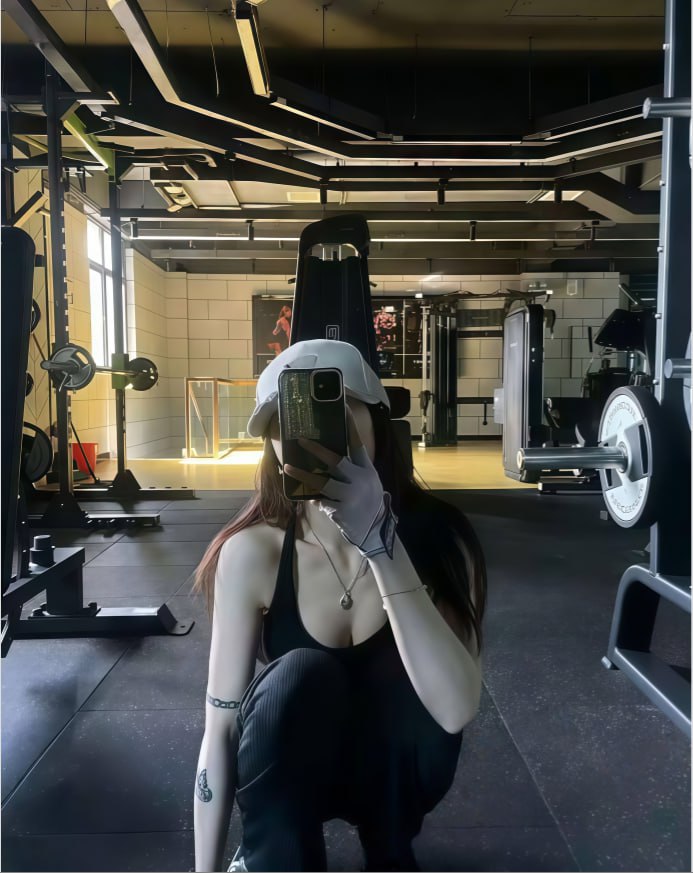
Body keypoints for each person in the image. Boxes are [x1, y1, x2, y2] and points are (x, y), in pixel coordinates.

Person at [193, 339, 487, 873]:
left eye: (332, 413)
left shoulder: (441, 538)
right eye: (287, 422)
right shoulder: (253, 552)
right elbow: (221, 729)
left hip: (397, 772)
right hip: (295, 770)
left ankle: (389, 847)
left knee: (408, 666)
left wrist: (380, 544)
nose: (309, 436)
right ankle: (273, 854)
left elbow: (455, 709)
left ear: (378, 424)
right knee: (298, 675)